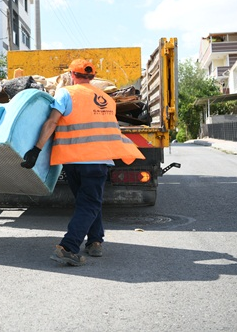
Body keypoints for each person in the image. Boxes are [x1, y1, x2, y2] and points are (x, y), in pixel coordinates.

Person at [21, 59, 144, 266]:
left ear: (71, 75)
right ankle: (68, 247)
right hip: (97, 160)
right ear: (93, 78)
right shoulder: (108, 99)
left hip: (72, 159)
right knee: (90, 203)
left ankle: (95, 241)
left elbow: (52, 122)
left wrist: (36, 149)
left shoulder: (65, 93)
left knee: (86, 203)